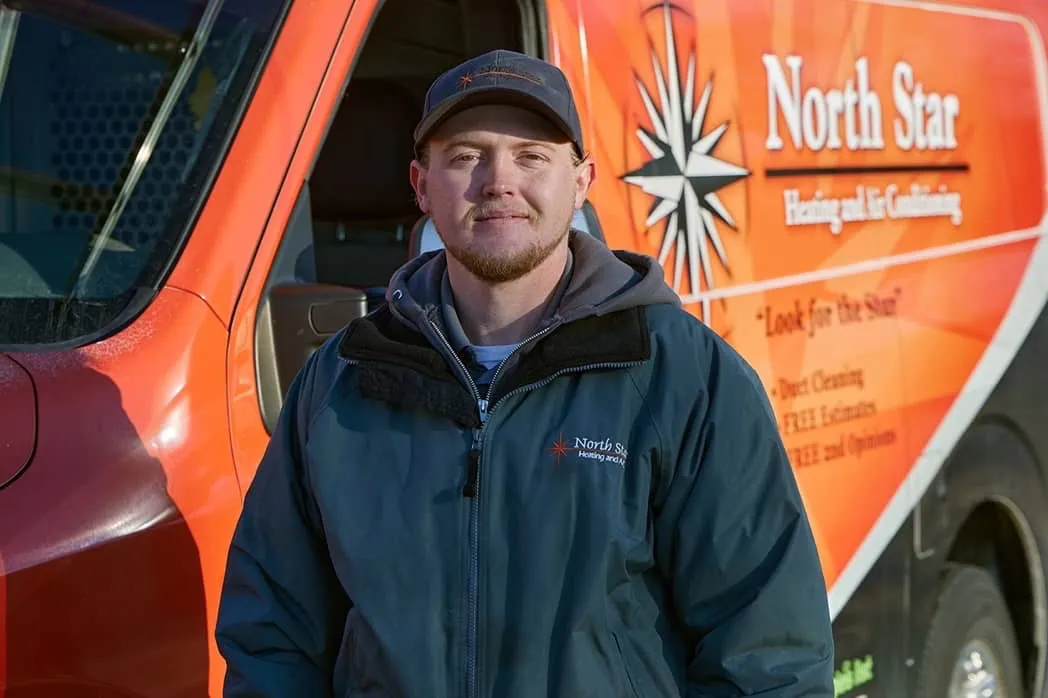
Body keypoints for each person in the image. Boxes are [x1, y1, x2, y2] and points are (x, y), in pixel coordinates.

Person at [215, 49, 836, 697]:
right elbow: (274, 638)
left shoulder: (684, 377)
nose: (498, 181)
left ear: (581, 181)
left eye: (532, 156)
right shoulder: (340, 382)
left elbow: (768, 655)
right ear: (421, 185)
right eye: (466, 156)